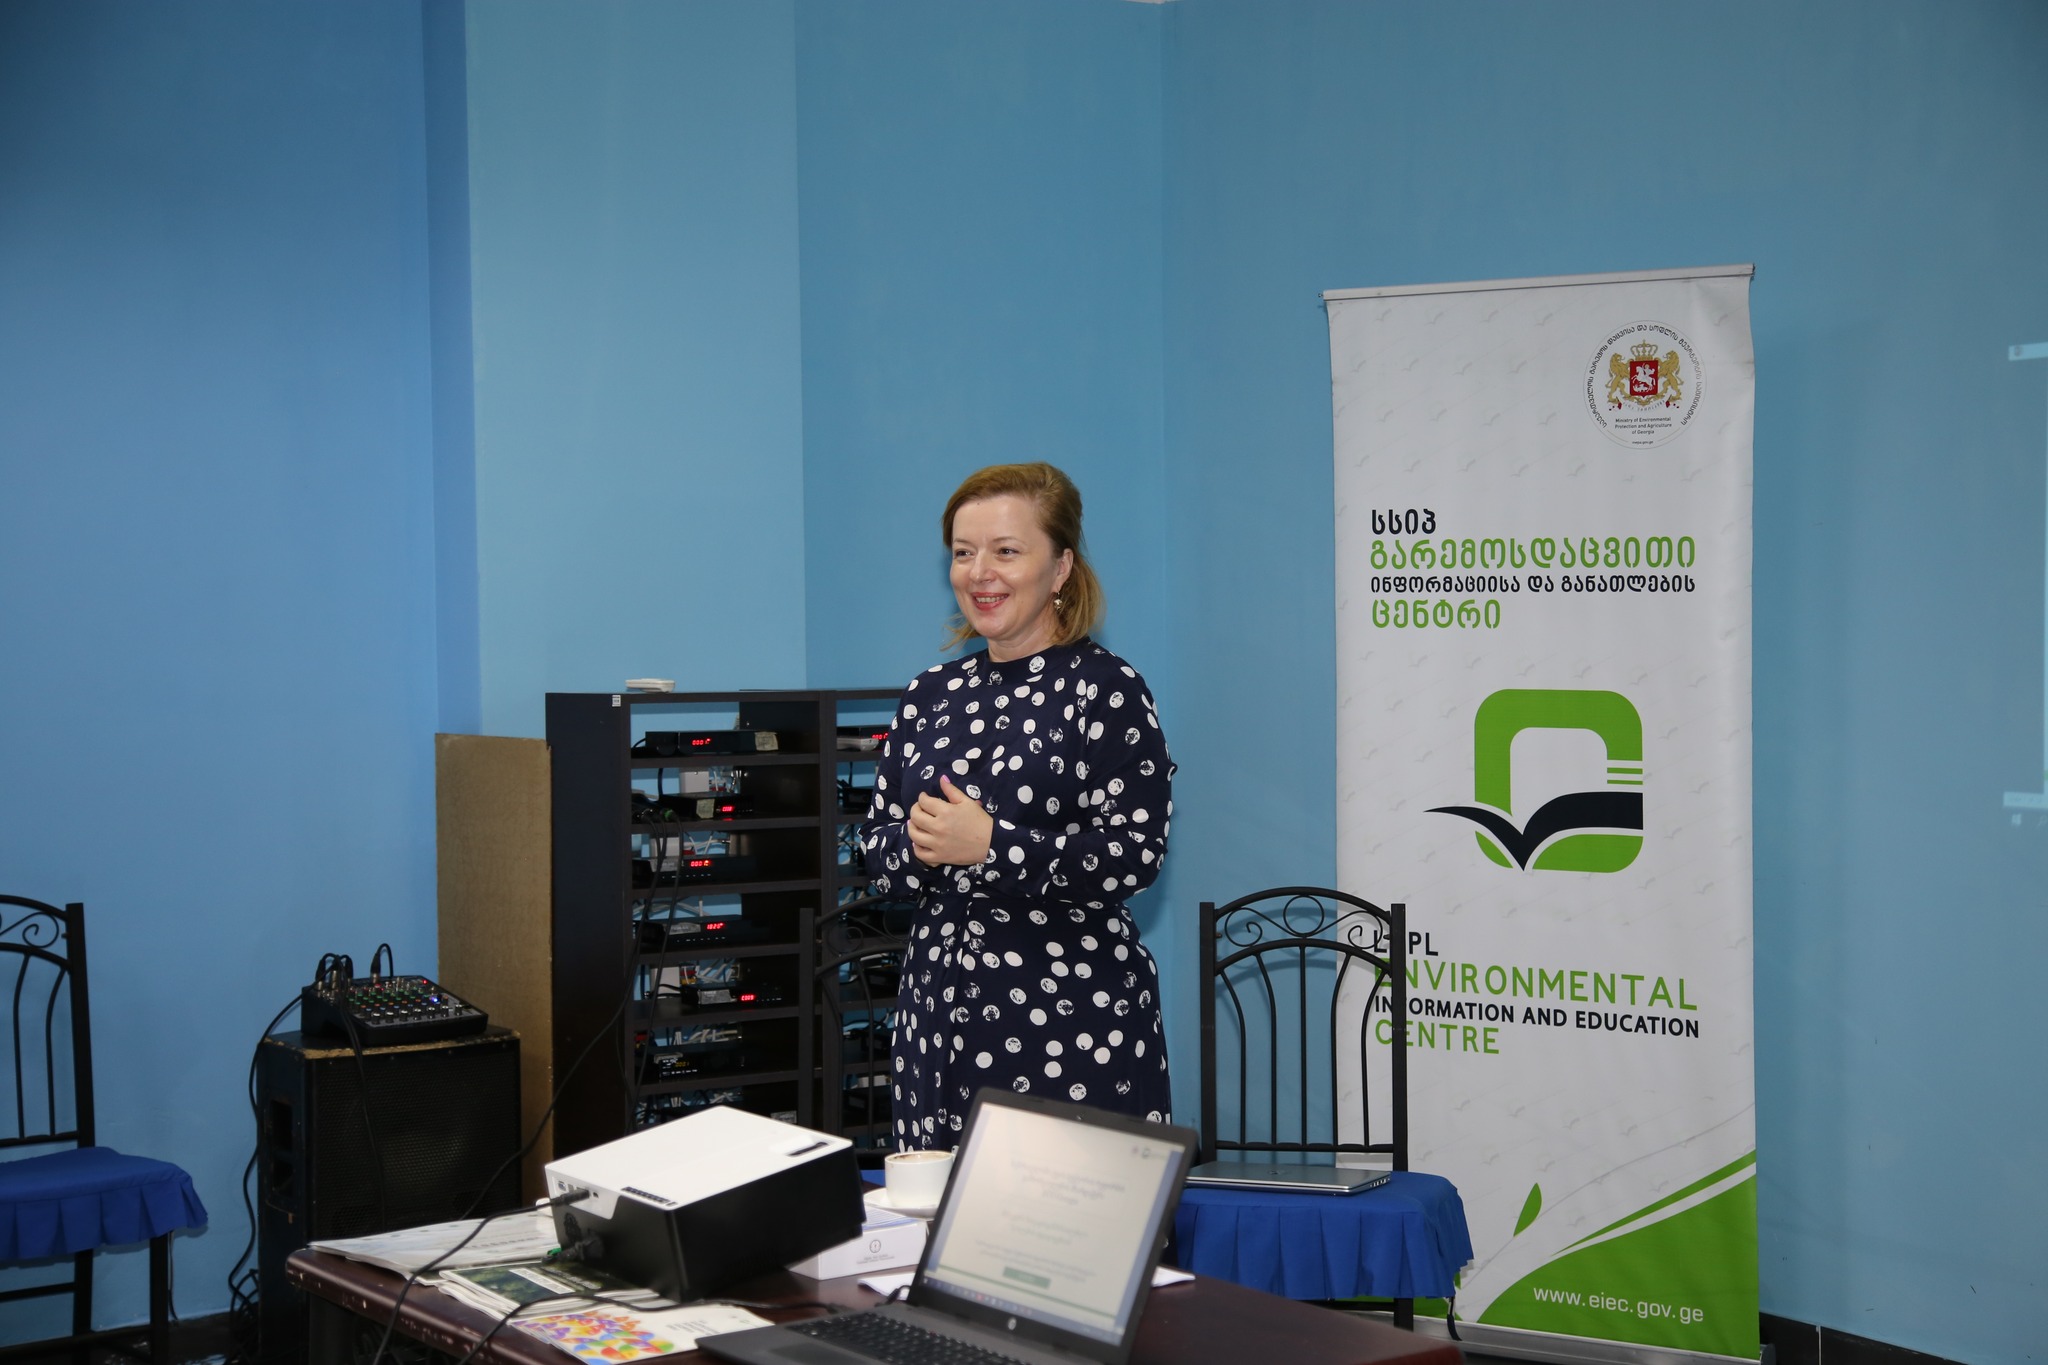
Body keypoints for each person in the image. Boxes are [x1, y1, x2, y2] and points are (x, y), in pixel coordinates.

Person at [860, 462, 1175, 1150]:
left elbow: (1135, 855)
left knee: (1062, 1214)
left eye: (1006, 551)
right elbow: (877, 848)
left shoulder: (1107, 690)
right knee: (938, 1210)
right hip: (936, 1020)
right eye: (963, 552)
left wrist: (994, 845)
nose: (980, 573)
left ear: (1060, 567)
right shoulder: (928, 695)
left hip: (1069, 1022)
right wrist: (919, 846)